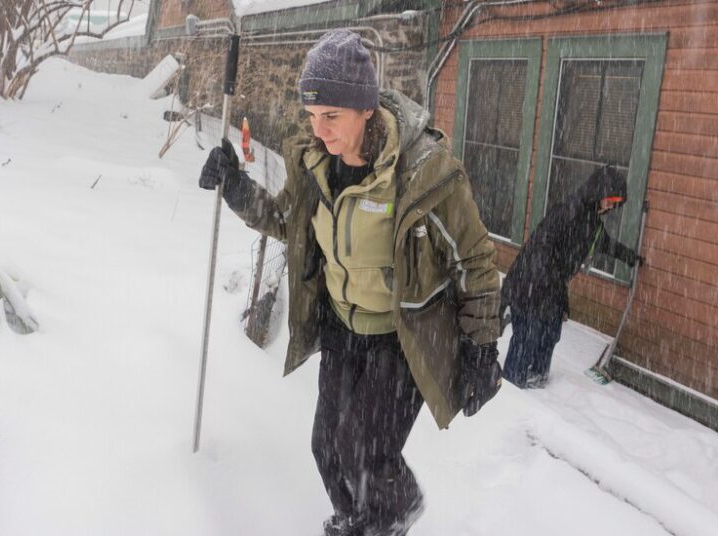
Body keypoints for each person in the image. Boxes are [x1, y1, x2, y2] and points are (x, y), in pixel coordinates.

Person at [199, 29, 504, 536]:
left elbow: (474, 260)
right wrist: (235, 185)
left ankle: (388, 517)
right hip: (343, 328)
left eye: (332, 117)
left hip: (400, 336)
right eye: (314, 117)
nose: (321, 132)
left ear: (366, 108)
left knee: (363, 449)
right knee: (327, 446)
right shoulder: (317, 164)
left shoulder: (424, 174)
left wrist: (481, 345)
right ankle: (357, 518)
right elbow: (285, 220)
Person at [500, 165, 642, 389]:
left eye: (616, 202)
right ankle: (512, 383)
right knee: (527, 335)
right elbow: (541, 243)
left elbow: (604, 243)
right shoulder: (569, 210)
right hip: (529, 281)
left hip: (551, 285)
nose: (612, 206)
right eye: (611, 199)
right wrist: (545, 276)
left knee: (551, 331)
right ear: (599, 192)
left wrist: (630, 257)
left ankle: (537, 376)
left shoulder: (592, 222)